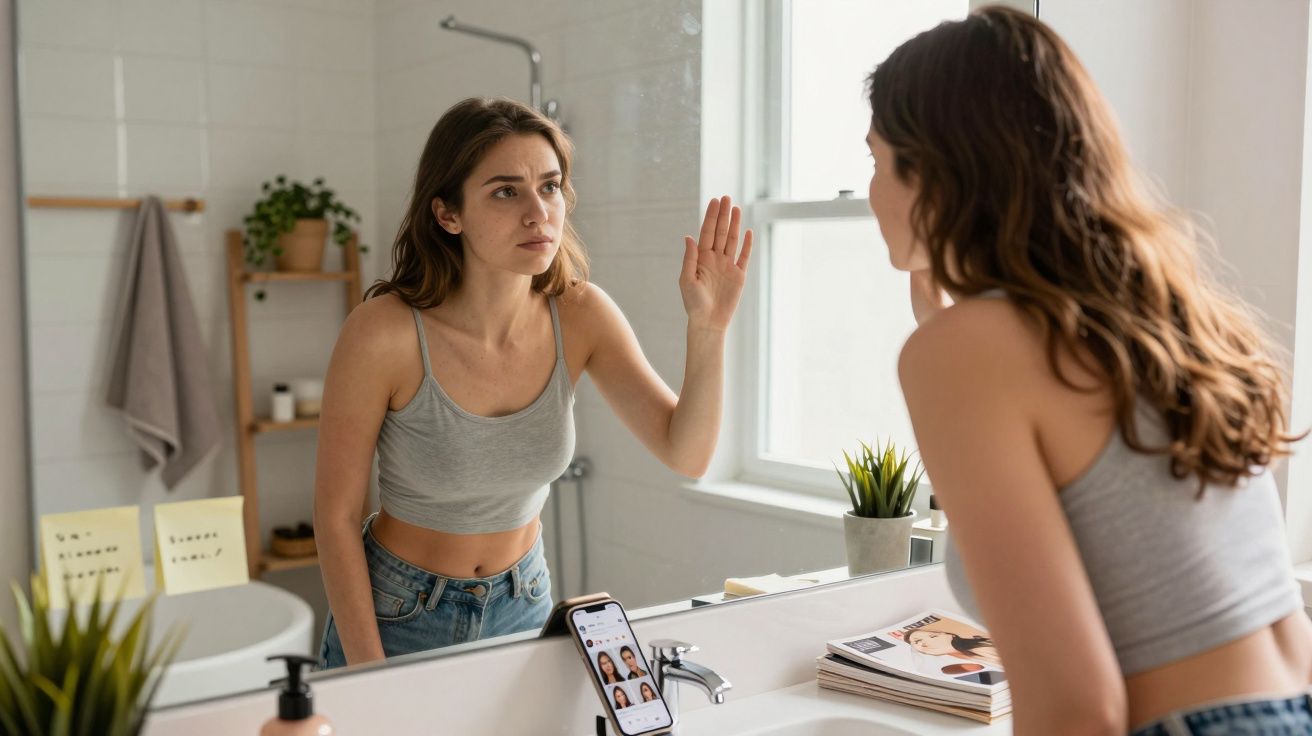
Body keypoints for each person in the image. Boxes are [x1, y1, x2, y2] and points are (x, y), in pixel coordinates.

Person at [867, 7, 1312, 735]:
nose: (874, 194)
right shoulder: (1163, 313)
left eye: (880, 161)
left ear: (939, 172)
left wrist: (950, 338)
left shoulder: (963, 353)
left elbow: (1079, 708)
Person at [315, 97, 752, 669]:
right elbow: (336, 516)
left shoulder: (581, 314)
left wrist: (708, 327)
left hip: (524, 603)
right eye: (505, 191)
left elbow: (687, 452)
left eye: (549, 187)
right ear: (448, 214)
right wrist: (370, 673)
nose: (537, 212)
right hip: (399, 613)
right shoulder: (384, 333)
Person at [905, 629, 1001, 668]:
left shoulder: (983, 648)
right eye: (917, 642)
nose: (926, 643)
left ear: (951, 635)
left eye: (933, 636)